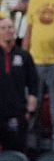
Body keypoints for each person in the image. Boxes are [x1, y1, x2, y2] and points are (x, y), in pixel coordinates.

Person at [0, 17, 38, 154]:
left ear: (15, 30)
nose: (7, 31)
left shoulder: (24, 56)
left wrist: (30, 108)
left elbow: (33, 83)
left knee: (16, 150)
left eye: (10, 27)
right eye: (3, 28)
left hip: (16, 112)